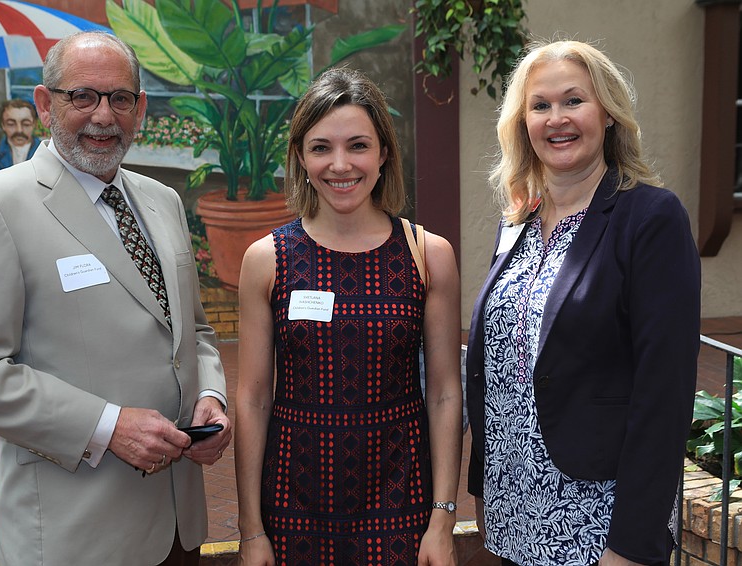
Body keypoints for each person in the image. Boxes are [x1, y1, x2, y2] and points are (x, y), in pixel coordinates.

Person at [0, 31, 231, 566]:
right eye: (83, 96)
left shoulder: (163, 202)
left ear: (138, 108)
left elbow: (196, 333)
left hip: (178, 526)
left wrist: (212, 397)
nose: (103, 115)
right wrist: (107, 425)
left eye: (119, 98)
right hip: (76, 534)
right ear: (46, 103)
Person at [465, 39, 701, 566]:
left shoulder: (650, 218)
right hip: (514, 515)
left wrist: (631, 544)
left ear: (609, 115)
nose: (557, 119)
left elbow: (664, 393)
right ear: (521, 123)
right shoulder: (518, 222)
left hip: (598, 525)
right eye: (540, 105)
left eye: (574, 101)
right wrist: (484, 488)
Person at [235, 67, 463, 566]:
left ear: (384, 153)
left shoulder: (428, 254)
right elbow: (251, 399)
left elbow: (445, 392)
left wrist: (442, 517)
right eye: (321, 148)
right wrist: (251, 529)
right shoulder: (266, 260)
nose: (340, 165)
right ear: (300, 156)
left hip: (401, 499)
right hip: (294, 502)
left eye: (358, 145)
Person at [0, 98, 42, 176]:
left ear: (34, 124)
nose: (19, 130)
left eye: (26, 124)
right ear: (3, 125)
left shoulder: (46, 156)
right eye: (11, 124)